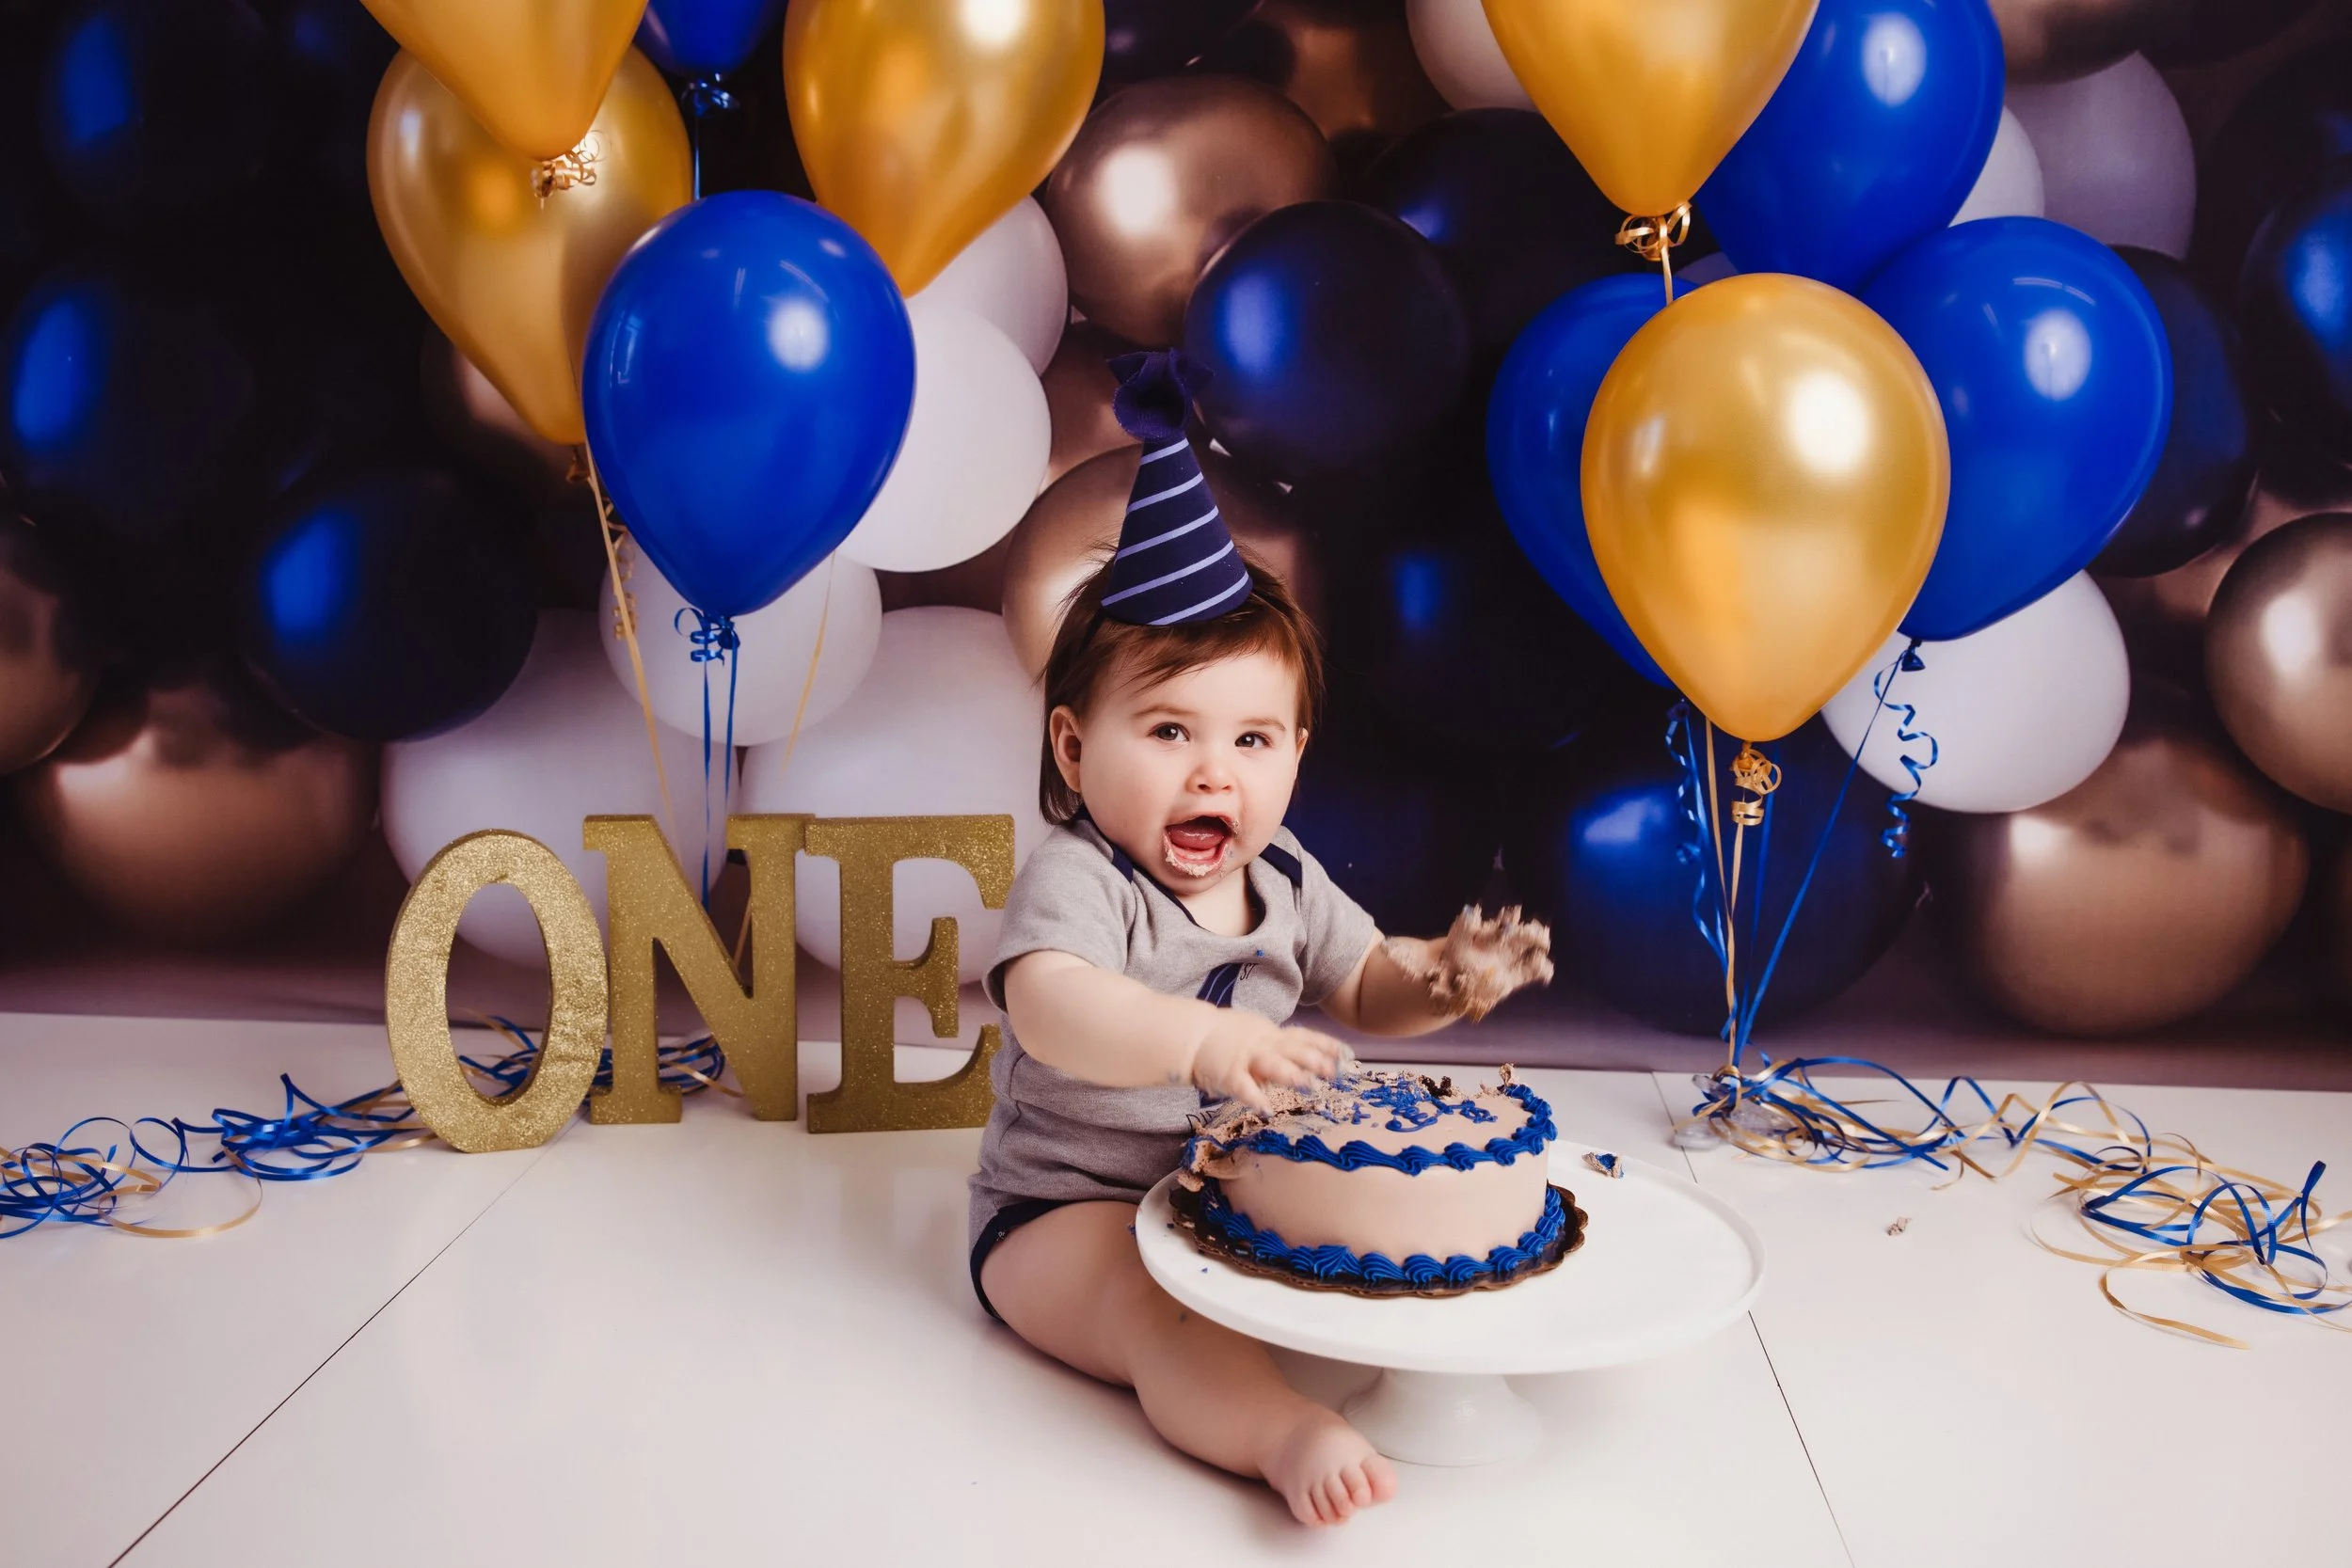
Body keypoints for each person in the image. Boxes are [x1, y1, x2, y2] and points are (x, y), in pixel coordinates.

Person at [966, 351, 1553, 1527]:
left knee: (1395, 1235)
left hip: (1229, 1198)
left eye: (1251, 740)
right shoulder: (1088, 880)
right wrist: (1193, 1040)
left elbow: (1365, 983)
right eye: (1170, 728)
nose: (1211, 771)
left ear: (1295, 751)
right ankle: (1277, 1434)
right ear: (1076, 752)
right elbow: (1052, 1003)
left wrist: (1440, 974)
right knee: (1159, 1317)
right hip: (1068, 1212)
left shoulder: (1284, 876)